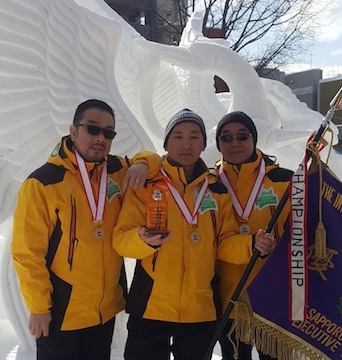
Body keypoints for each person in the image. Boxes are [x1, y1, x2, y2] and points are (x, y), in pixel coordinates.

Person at [113, 108, 275, 360]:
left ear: (204, 145)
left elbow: (224, 243)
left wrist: (251, 244)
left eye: (194, 137)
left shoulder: (216, 191)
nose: (186, 144)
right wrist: (143, 240)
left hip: (200, 312)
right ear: (166, 143)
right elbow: (121, 240)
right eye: (178, 136)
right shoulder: (147, 184)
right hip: (150, 307)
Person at [11, 99, 160, 360]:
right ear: (73, 130)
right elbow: (27, 254)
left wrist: (142, 164)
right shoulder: (43, 182)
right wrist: (38, 307)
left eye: (108, 132)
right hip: (61, 313)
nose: (100, 138)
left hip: (104, 311)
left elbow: (156, 161)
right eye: (93, 129)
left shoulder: (116, 171)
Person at [214, 111, 293, 360]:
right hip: (229, 301)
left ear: (254, 139)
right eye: (226, 137)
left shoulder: (284, 181)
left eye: (242, 135)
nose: (234, 142)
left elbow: (302, 234)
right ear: (218, 144)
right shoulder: (210, 183)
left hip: (272, 298)